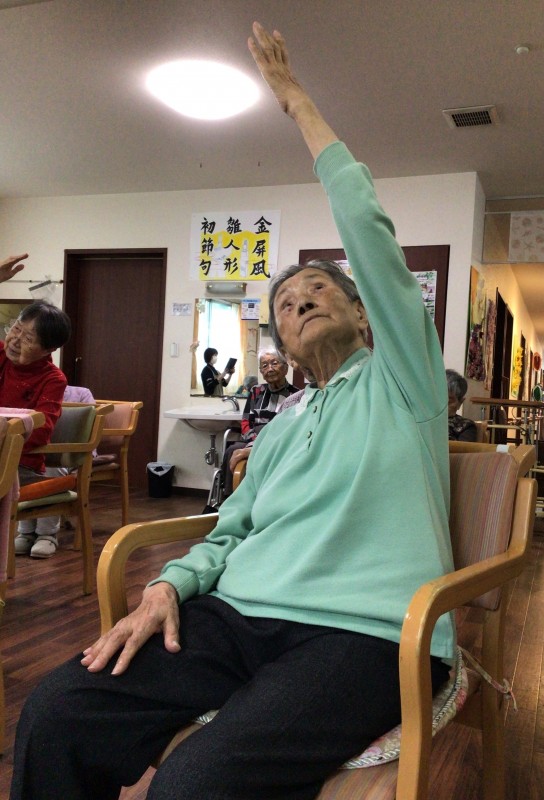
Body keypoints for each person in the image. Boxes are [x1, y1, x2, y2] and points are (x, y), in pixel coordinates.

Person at [11, 23, 455, 800]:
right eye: (285, 303)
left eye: (319, 289)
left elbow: (367, 231)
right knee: (55, 712)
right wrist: (168, 586)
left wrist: (295, 101)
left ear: (365, 312)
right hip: (235, 615)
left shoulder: (403, 386)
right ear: (278, 340)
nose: (300, 301)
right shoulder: (282, 425)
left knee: (194, 783)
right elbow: (231, 531)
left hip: (366, 632)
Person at [2, 301, 72, 558]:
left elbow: (42, 430)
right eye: (16, 329)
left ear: (48, 349)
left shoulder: (53, 379)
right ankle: (25, 534)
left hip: (23, 464)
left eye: (28, 338)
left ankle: (44, 534)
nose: (15, 340)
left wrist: (6, 433)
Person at [221, 348, 300, 498]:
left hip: (279, 445)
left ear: (285, 367)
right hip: (254, 440)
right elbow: (246, 423)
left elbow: (293, 430)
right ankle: (229, 500)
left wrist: (262, 447)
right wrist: (254, 443)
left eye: (274, 363)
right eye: (264, 365)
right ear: (261, 372)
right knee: (232, 450)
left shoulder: (296, 395)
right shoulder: (256, 391)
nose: (269, 369)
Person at [446, 368, 477, 442]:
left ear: (460, 402)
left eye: (449, 401)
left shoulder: (466, 426)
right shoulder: (422, 420)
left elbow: (463, 448)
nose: (442, 406)